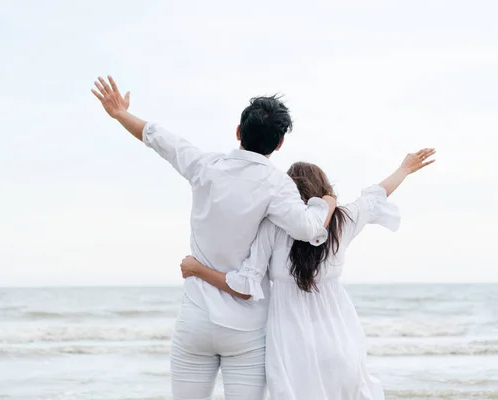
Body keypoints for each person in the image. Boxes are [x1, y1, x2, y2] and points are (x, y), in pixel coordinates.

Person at [91, 76, 337, 400]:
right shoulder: (277, 185)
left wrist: (120, 113)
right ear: (279, 144)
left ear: (239, 132)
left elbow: (158, 138)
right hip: (247, 329)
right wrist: (326, 202)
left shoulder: (205, 166)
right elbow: (309, 228)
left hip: (196, 317)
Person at [180, 150, 435, 400]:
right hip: (338, 336)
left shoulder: (273, 225)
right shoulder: (342, 221)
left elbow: (245, 285)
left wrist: (197, 269)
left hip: (290, 344)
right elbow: (375, 195)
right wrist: (403, 169)